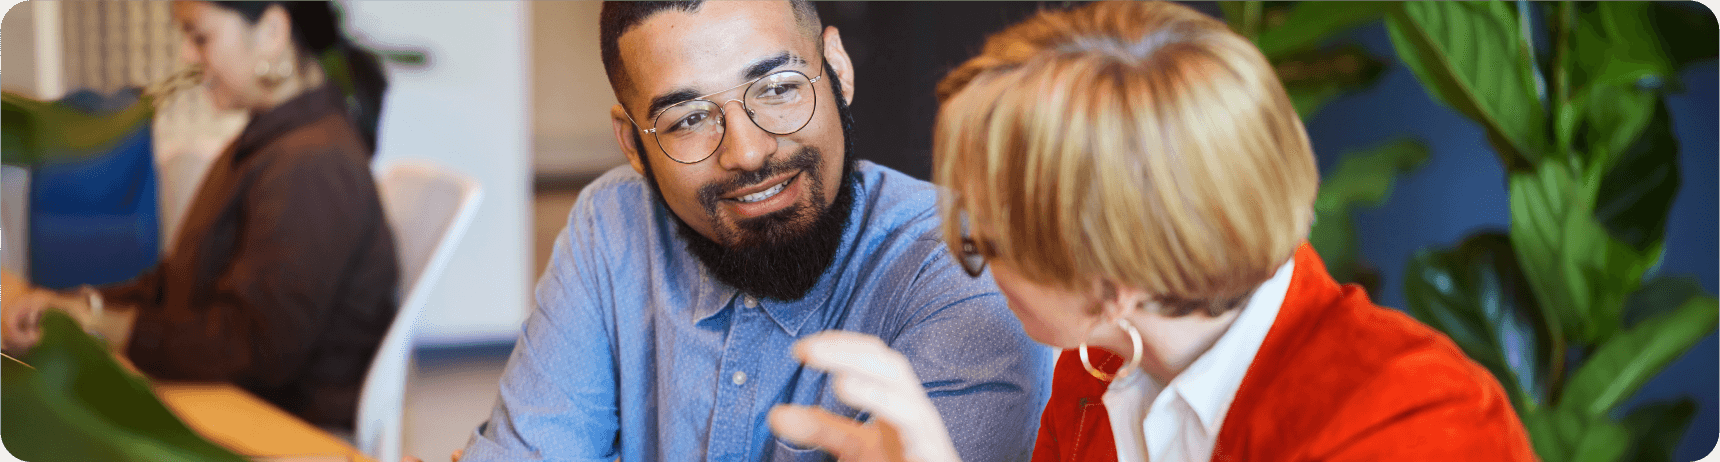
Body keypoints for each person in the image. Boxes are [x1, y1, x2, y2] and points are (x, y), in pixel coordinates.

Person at [769, 2, 1537, 461]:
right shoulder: (1097, 367)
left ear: (1114, 287)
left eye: (986, 243)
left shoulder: (1410, 424)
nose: (972, 263)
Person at [454, 1, 1052, 461]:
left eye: (779, 88)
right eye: (687, 119)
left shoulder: (962, 263)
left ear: (837, 71)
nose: (747, 151)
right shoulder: (612, 224)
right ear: (632, 144)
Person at [1, 0, 397, 431]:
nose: (188, 56)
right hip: (237, 403)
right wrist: (79, 306)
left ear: (271, 32)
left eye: (200, 37)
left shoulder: (312, 165)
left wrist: (98, 323)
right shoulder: (271, 142)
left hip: (278, 428)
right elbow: (179, 282)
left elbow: (253, 350)